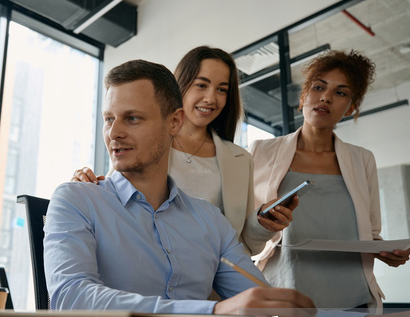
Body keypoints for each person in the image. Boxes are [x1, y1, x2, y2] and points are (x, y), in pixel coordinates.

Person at [72, 47, 294, 255]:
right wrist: (86, 188)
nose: (210, 98)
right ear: (181, 85)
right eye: (201, 85)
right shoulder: (147, 144)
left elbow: (242, 244)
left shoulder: (240, 159)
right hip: (149, 271)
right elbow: (114, 211)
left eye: (221, 90)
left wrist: (263, 223)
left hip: (212, 283)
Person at [250, 50, 410, 313]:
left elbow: (370, 234)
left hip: (353, 299)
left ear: (350, 108)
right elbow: (246, 226)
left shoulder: (362, 159)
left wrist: (387, 254)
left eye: (340, 92)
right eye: (318, 87)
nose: (325, 97)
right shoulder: (262, 151)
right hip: (284, 293)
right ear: (304, 96)